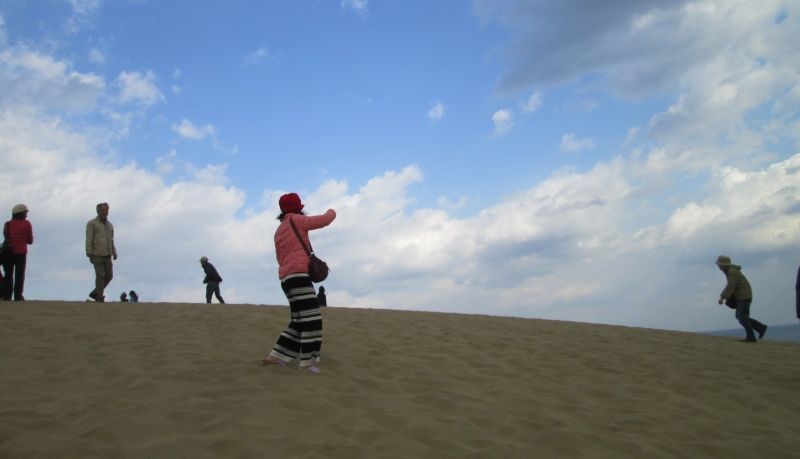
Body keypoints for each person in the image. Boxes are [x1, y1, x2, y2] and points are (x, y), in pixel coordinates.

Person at [262, 193, 336, 373]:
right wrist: (332, 211)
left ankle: (275, 357)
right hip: (299, 277)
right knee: (312, 320)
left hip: (286, 279)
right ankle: (308, 363)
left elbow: (280, 258)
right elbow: (324, 220)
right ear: (298, 207)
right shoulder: (297, 220)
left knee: (298, 321)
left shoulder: (279, 231)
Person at [715, 255, 767, 342]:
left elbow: (730, 286)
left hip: (743, 297)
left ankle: (752, 337)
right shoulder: (730, 271)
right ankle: (760, 328)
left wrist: (722, 297)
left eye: (719, 264)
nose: (718, 266)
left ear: (723, 265)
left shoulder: (732, 272)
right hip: (742, 296)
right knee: (741, 317)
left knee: (742, 318)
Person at [85, 202, 117, 303]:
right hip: (97, 254)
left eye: (106, 210)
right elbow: (89, 238)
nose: (105, 212)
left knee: (109, 276)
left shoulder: (110, 225)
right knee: (100, 276)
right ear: (98, 211)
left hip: (108, 254)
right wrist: (89, 251)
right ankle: (99, 297)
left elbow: (111, 240)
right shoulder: (92, 223)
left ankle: (95, 293)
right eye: (102, 210)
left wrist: (114, 252)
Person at [2, 204, 34, 301]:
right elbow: (30, 241)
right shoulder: (27, 224)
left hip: (8, 252)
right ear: (21, 213)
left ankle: (7, 296)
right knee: (19, 275)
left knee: (8, 275)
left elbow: (5, 237)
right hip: (21, 253)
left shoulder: (7, 224)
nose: (26, 215)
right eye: (25, 213)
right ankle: (18, 296)